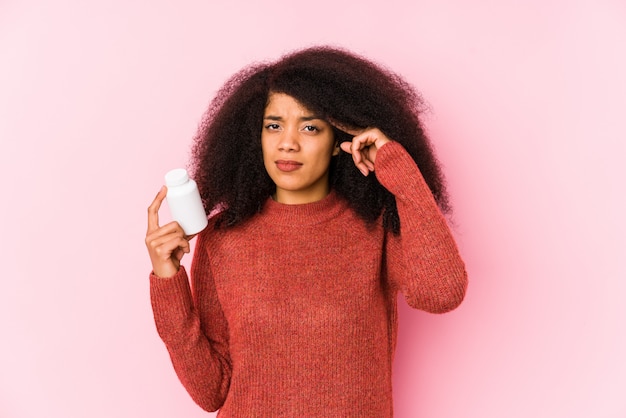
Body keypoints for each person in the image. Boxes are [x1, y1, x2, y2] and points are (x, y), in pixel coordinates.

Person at [145, 46, 468, 417]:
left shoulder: (374, 227)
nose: (288, 142)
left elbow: (442, 293)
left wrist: (399, 172)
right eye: (274, 125)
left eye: (310, 127)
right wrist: (169, 281)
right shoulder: (223, 236)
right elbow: (211, 392)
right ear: (257, 137)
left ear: (337, 142)